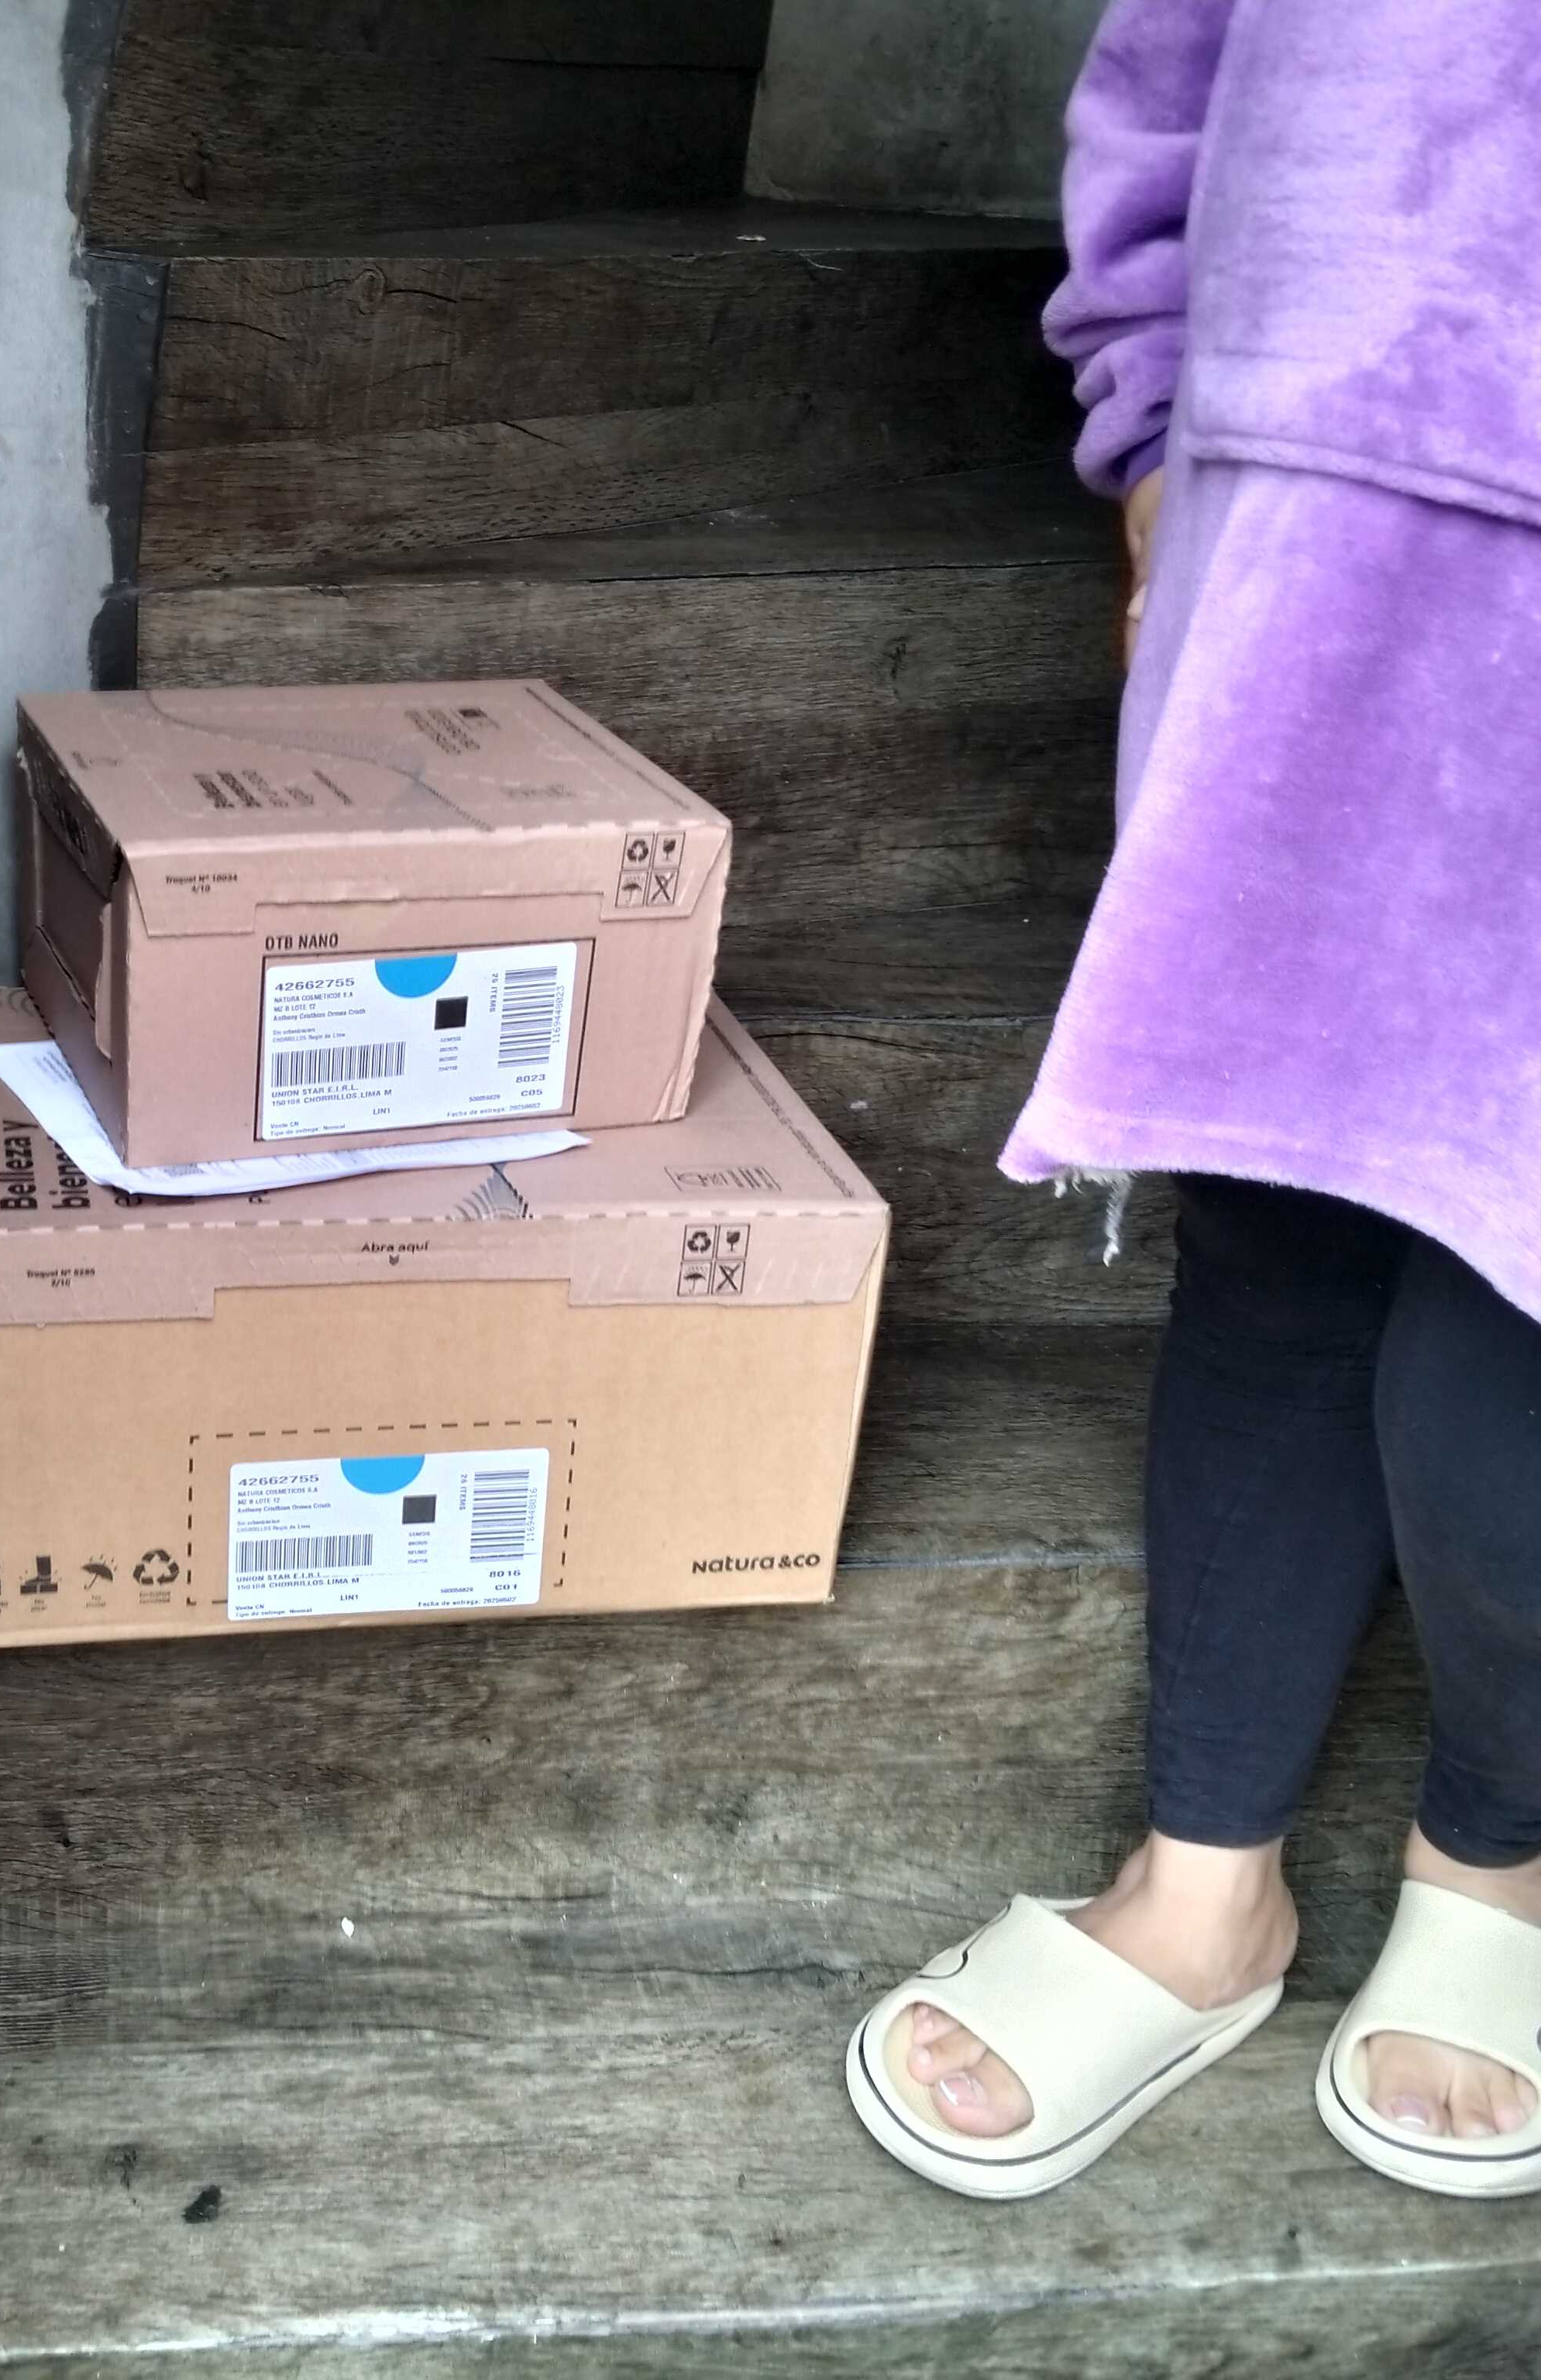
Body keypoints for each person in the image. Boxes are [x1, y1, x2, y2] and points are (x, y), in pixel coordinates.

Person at [844, 0, 1541, 2200]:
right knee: (1278, 1207)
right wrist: (1154, 422)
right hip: (1322, 455)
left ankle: (1498, 1852)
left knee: (1518, 1288)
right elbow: (1179, 52)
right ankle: (1205, 1875)